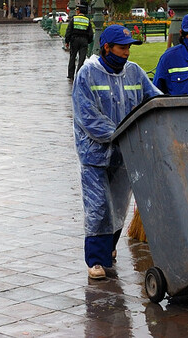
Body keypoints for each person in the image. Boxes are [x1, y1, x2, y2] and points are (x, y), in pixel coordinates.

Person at [72, 25, 161, 280]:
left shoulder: (134, 72)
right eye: (122, 48)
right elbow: (88, 118)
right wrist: (123, 133)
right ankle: (96, 260)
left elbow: (152, 98)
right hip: (95, 155)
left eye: (129, 48)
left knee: (118, 207)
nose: (126, 53)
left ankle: (108, 248)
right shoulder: (87, 74)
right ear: (107, 47)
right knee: (98, 205)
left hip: (125, 154)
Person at [64, 4, 94, 80]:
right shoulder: (87, 20)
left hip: (74, 40)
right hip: (84, 40)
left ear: (78, 11)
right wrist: (88, 41)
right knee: (82, 58)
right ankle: (79, 74)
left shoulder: (74, 19)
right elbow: (90, 33)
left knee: (72, 57)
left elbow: (69, 31)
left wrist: (67, 41)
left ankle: (70, 75)